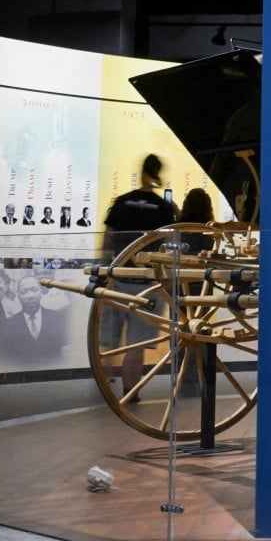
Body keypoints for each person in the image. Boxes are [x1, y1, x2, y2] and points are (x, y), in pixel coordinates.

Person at [103, 154, 177, 401]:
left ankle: (104, 384)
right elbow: (168, 243)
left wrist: (106, 268)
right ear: (157, 174)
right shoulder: (163, 207)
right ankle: (130, 391)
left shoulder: (122, 202)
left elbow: (109, 236)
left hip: (119, 277)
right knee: (137, 343)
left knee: (109, 338)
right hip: (148, 282)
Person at [177, 187, 215, 397]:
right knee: (203, 334)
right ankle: (204, 384)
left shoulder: (180, 228)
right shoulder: (208, 232)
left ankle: (185, 385)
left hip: (179, 290)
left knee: (181, 335)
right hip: (203, 289)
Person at [0, 274, 69, 365]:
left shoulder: (57, 319)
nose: (30, 296)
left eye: (34, 290)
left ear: (41, 292)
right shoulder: (9, 324)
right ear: (18, 296)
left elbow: (66, 351)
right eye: (24, 291)